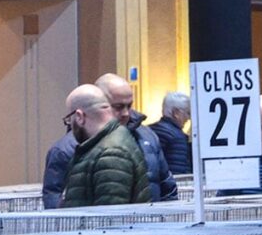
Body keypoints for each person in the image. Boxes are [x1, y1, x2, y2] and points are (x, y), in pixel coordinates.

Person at [42, 74, 175, 207]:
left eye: (129, 106)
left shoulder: (144, 138)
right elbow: (54, 200)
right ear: (100, 103)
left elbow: (166, 187)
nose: (126, 114)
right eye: (118, 107)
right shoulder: (66, 149)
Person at [60, 84, 150, 208]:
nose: (70, 125)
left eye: (70, 119)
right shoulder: (113, 142)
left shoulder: (111, 154)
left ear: (80, 116)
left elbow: (108, 221)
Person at [149, 92, 193, 175]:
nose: (189, 118)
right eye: (188, 113)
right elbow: (180, 174)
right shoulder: (178, 137)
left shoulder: (147, 131)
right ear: (176, 113)